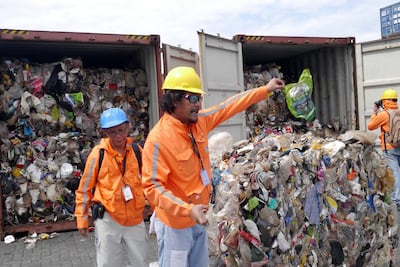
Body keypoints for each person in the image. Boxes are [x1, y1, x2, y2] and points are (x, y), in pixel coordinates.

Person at [141, 66, 285, 267]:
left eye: (199, 98)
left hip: (199, 219)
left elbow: (229, 105)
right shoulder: (158, 140)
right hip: (175, 227)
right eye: (192, 99)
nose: (198, 104)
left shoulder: (199, 121)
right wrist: (187, 209)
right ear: (174, 100)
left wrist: (265, 89)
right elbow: (152, 188)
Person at [74, 107, 148, 267]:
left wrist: (158, 211)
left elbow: (150, 182)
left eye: (121, 130)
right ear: (105, 133)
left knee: (140, 262)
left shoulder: (137, 151)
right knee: (108, 263)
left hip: (135, 218)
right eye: (112, 132)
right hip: (108, 219)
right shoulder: (98, 154)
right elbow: (84, 189)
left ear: (128, 127)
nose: (118, 136)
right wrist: (82, 220)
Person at [368, 89, 400, 205]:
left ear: (385, 101)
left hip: (390, 147)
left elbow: (371, 126)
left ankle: (397, 199)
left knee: (395, 172)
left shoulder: (384, 114)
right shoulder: (398, 111)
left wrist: (375, 112)